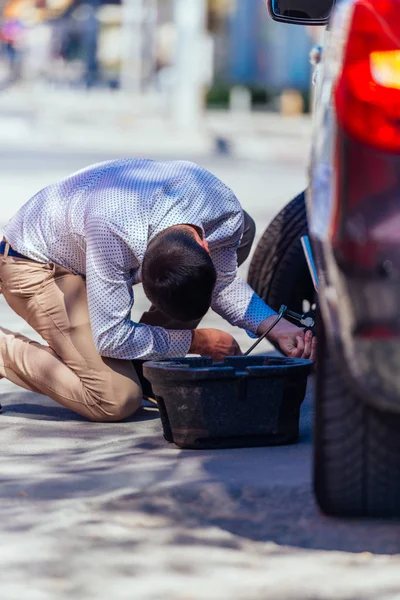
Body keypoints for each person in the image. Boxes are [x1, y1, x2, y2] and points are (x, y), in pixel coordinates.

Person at [0, 159, 316, 422]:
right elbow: (110, 336)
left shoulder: (222, 209)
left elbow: (222, 285)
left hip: (90, 249)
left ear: (203, 244)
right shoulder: (114, 234)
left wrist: (277, 326)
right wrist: (197, 341)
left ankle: (144, 367)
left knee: (243, 230)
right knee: (115, 397)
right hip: (34, 263)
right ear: (139, 262)